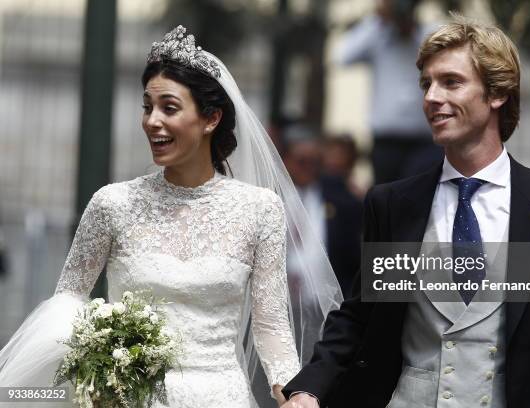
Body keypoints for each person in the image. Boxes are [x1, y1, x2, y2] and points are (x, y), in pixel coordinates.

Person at [0, 26, 342, 408]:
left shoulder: (260, 209)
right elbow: (67, 304)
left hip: (220, 398)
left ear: (210, 118)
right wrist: (94, 366)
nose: (152, 121)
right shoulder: (112, 204)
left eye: (169, 107)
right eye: (147, 106)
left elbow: (271, 326)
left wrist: (292, 394)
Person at [281, 16, 530, 408]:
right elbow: (360, 315)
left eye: (451, 82)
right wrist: (309, 387)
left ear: (497, 93)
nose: (431, 97)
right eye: (426, 83)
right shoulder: (394, 205)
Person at [337, 0, 443, 184]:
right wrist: (377, 19)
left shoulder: (428, 37)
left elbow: (447, 53)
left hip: (424, 142)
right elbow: (342, 56)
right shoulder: (377, 36)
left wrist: (413, 30)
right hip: (386, 143)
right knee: (386, 203)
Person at [282, 124, 363, 298]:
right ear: (286, 160)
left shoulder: (338, 198)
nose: (309, 168)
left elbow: (352, 259)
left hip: (325, 304)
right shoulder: (269, 194)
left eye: (315, 162)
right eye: (302, 161)